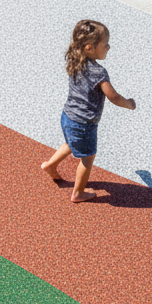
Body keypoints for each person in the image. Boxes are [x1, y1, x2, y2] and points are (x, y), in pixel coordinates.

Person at [41, 19, 137, 203]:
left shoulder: (75, 58)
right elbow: (113, 96)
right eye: (105, 44)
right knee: (87, 158)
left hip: (68, 116)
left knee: (71, 142)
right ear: (89, 47)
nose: (109, 46)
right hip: (84, 124)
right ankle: (78, 193)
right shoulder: (99, 72)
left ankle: (50, 165)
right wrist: (129, 104)